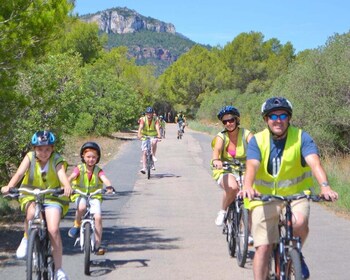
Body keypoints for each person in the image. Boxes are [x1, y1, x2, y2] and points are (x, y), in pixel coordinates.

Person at [240, 97, 339, 280]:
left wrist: (325, 187)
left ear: (289, 118)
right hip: (264, 198)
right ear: (266, 120)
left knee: (299, 222)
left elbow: (314, 163)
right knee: (263, 247)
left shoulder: (302, 137)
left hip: (296, 196)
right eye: (273, 116)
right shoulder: (258, 140)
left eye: (283, 115)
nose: (278, 119)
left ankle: (295, 250)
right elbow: (252, 166)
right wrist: (247, 186)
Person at [0, 130, 72, 280]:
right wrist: (10, 186)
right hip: (31, 194)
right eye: (40, 149)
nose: (43, 152)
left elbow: (62, 175)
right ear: (34, 149)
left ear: (52, 149)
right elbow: (19, 173)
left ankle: (59, 270)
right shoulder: (29, 157)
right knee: (31, 214)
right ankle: (27, 238)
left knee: (53, 229)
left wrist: (66, 186)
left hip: (53, 196)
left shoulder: (57, 159)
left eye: (47, 149)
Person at [67, 142, 115, 255]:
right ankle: (77, 224)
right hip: (80, 194)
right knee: (82, 207)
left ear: (97, 158)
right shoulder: (79, 168)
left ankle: (97, 245)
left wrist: (109, 186)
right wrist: (66, 185)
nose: (91, 159)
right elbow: (71, 177)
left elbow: (105, 179)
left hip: (94, 196)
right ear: (83, 157)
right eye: (88, 157)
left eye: (94, 157)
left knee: (98, 217)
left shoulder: (98, 170)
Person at [211, 105, 253, 226]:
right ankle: (223, 211)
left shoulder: (246, 134)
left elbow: (256, 147)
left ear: (237, 120)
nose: (229, 123)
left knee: (249, 196)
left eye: (231, 120)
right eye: (225, 121)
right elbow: (216, 151)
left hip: (244, 169)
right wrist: (216, 160)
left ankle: (248, 231)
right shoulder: (221, 136)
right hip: (225, 169)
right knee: (233, 188)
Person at [137, 106, 161, 174]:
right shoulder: (143, 119)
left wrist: (159, 135)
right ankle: (144, 168)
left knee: (154, 142)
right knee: (144, 152)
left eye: (150, 113)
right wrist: (139, 134)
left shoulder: (155, 119)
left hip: (153, 135)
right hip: (145, 136)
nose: (149, 114)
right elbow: (140, 127)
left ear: (152, 114)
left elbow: (157, 128)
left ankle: (153, 155)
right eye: (148, 113)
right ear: (146, 113)